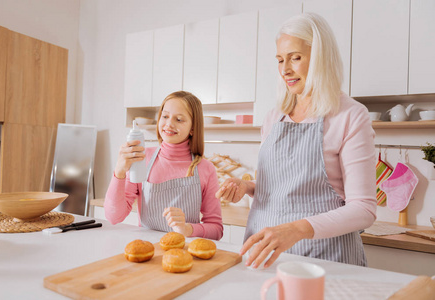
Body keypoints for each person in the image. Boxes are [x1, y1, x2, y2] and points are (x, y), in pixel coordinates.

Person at [216, 13, 376, 268]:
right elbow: (284, 188)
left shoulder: (350, 116)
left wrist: (296, 229)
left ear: (321, 58)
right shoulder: (274, 117)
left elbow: (364, 209)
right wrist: (247, 187)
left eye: (295, 58)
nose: (285, 70)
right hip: (265, 255)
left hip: (325, 259)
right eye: (280, 60)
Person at [105, 91, 223, 240]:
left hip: (184, 254)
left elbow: (216, 230)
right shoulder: (142, 158)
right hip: (147, 251)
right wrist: (119, 171)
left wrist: (187, 229)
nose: (169, 124)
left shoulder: (205, 168)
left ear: (193, 128)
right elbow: (114, 217)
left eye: (179, 119)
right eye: (165, 116)